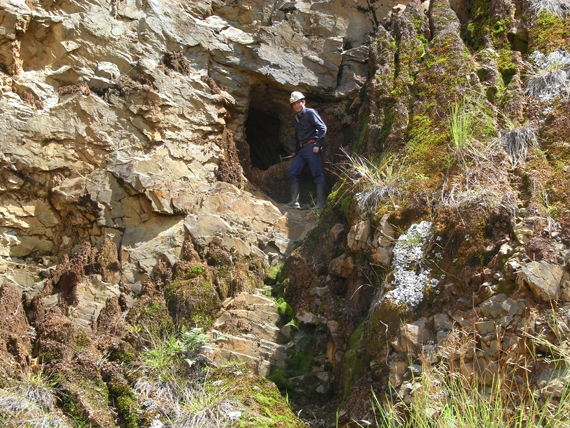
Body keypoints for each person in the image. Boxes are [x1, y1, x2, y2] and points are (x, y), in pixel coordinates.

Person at [285, 91, 327, 210]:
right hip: (303, 150)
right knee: (292, 172)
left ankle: (320, 204)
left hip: (312, 147)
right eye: (294, 104)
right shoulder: (296, 119)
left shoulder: (310, 113)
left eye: (298, 102)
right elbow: (298, 137)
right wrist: (296, 151)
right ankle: (294, 202)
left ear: (303, 102)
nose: (296, 105)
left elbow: (322, 128)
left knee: (317, 174)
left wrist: (318, 144)